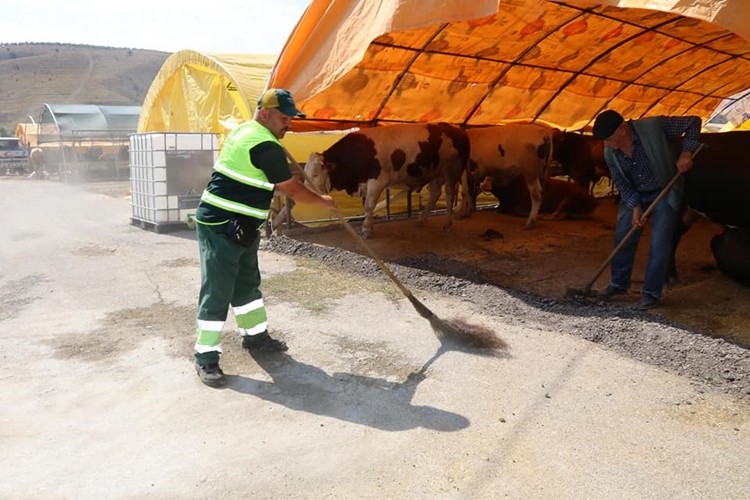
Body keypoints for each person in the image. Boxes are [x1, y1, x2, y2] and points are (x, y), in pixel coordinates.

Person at [193, 88, 336, 387]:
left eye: (291, 119)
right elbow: (291, 190)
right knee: (218, 289)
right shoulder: (264, 144)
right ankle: (206, 356)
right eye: (284, 118)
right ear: (264, 113)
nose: (289, 124)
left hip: (242, 225)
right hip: (222, 224)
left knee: (246, 283)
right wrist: (321, 201)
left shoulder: (250, 132)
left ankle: (255, 337)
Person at [592, 109, 701, 310]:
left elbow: (694, 122)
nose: (605, 145)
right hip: (637, 194)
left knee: (660, 242)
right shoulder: (610, 152)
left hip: (665, 189)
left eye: (608, 139)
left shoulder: (654, 127)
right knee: (623, 235)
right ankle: (618, 284)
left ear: (622, 130)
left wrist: (687, 152)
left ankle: (651, 293)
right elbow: (622, 184)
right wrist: (635, 207)